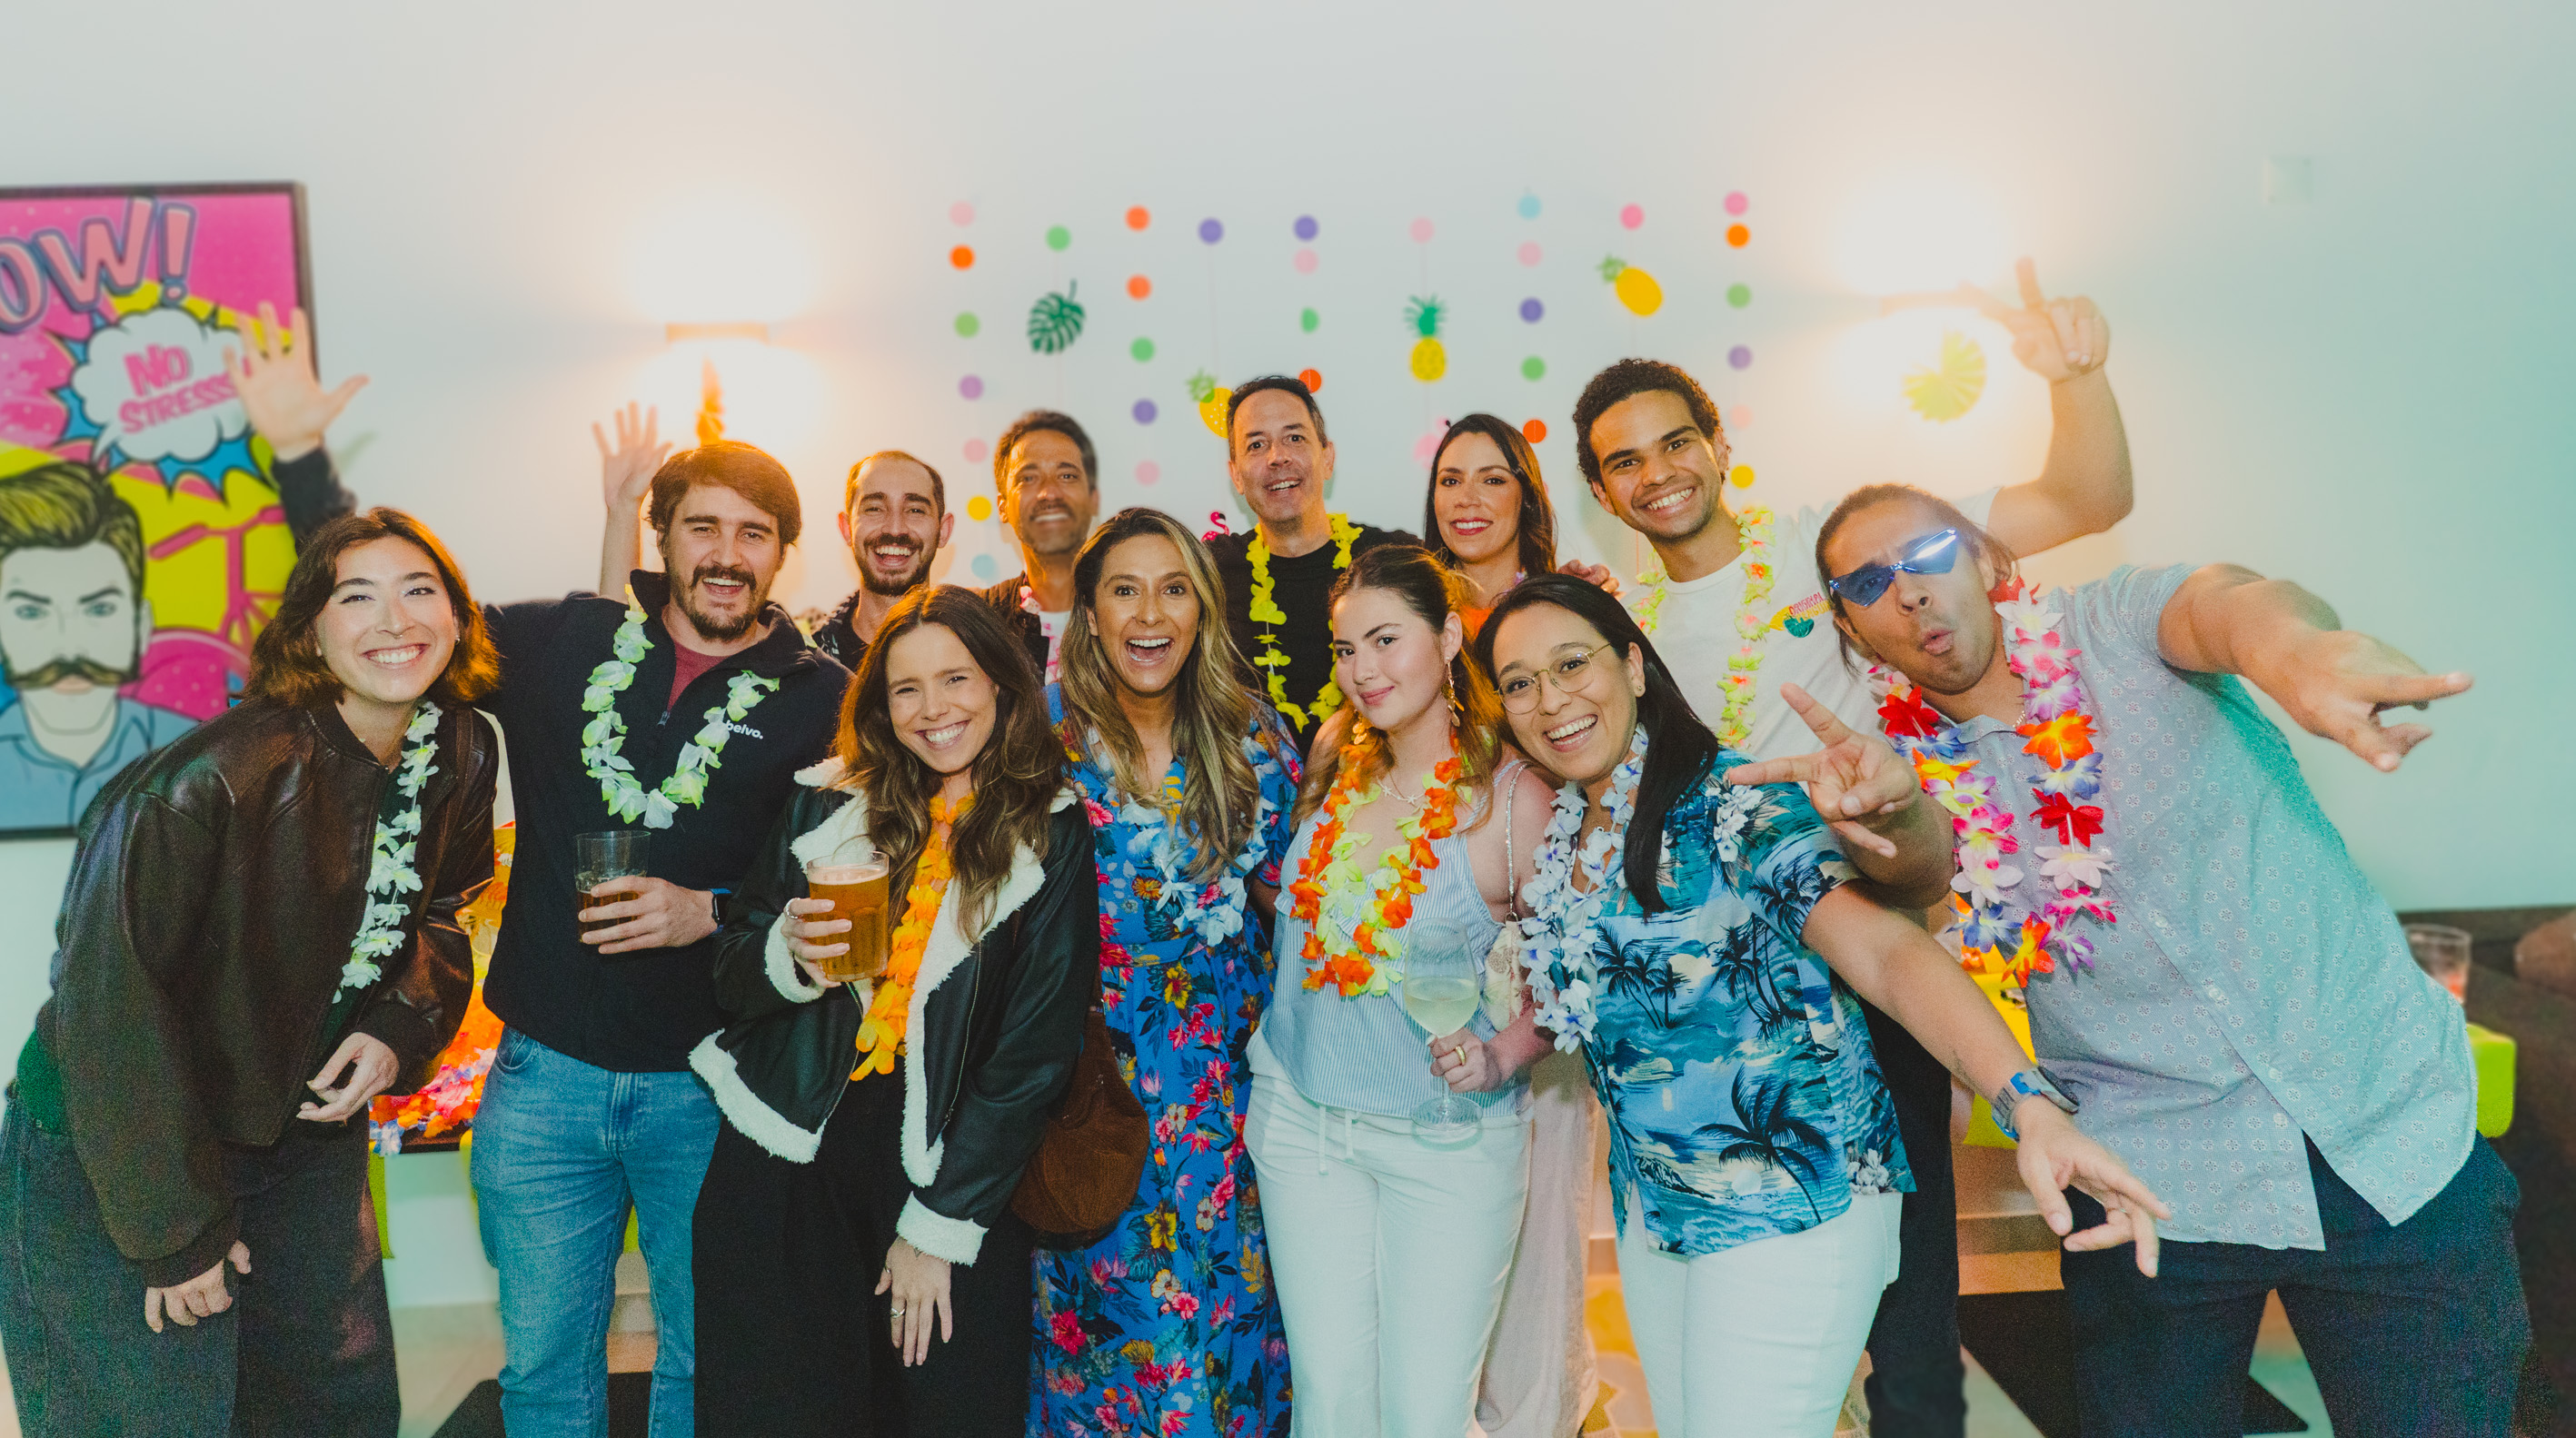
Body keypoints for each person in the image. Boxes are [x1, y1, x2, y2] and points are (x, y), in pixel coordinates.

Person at [1817, 485, 2527, 1437]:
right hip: (2147, 1180)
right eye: (1868, 580)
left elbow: (2230, 605)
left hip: (2385, 1124)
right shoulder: (1905, 770)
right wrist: (1891, 817)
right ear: (1853, 628)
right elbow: (1917, 871)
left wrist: (2306, 654)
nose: (1907, 589)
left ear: (1988, 561)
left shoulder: (2111, 624)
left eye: (1929, 552)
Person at [1568, 260, 2134, 1438]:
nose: (1655, 473)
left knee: (1910, 1292)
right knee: (1753, 1304)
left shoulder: (1828, 558)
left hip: (1865, 953)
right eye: (1623, 460)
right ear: (1599, 489)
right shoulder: (1619, 636)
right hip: (1720, 1007)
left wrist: (2072, 377)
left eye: (1674, 442)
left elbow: (2083, 496)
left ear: (1717, 444)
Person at [1477, 574, 2165, 1438]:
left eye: (1570, 663)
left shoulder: (1733, 799)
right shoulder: (1575, 827)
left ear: (1633, 665)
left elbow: (1886, 952)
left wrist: (2025, 1102)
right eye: (1518, 682)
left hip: (1793, 1201)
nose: (1549, 700)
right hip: (1661, 1212)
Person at [269, 435, 852, 1436]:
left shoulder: (824, 699)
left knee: (708, 1363)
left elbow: (845, 898)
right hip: (543, 1082)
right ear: (658, 534)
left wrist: (707, 907)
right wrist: (299, 462)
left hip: (714, 1087)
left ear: (784, 553)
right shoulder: (561, 642)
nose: (726, 552)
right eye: (702, 525)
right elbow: (397, 612)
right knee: (542, 1369)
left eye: (754, 533)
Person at [0, 507, 502, 1434]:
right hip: (127, 1144)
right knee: (157, 1415)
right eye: (359, 595)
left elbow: (445, 905)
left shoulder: (462, 748)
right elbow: (109, 1006)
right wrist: (174, 1232)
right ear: (311, 629)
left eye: (419, 589)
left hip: (304, 1138)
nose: (395, 619)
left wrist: (399, 1025)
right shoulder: (207, 781)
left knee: (331, 1406)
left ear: (461, 619)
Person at [689, 584, 1094, 1437]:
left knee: (947, 1408)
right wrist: (787, 958)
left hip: (944, 1161)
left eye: (956, 679)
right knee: (781, 1411)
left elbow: (1031, 1055)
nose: (932, 709)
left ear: (1001, 686)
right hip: (785, 1153)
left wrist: (940, 1227)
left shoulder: (1052, 831)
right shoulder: (827, 799)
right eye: (905, 688)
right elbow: (731, 968)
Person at [1241, 542, 1560, 1436]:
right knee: (1333, 1403)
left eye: (1386, 640)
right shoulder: (1336, 753)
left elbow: (1573, 966)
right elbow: (1308, 907)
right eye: (1346, 650)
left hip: (1443, 1145)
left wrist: (1503, 1047)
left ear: (1452, 634)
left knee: (1423, 1414)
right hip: (1306, 1124)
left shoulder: (1509, 799)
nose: (1363, 670)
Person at [1033, 508, 1300, 1436]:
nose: (1151, 611)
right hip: (1085, 1090)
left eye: (1173, 587)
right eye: (1124, 588)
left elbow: (1293, 908)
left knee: (1229, 1326)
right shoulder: (1038, 738)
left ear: (1201, 610)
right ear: (1092, 614)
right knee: (1099, 1341)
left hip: (1227, 1095)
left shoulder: (1249, 737)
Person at [1417, 412, 1616, 1437]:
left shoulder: (1574, 604)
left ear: (1527, 496)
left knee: (1542, 1220)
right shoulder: (1409, 617)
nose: (1470, 497)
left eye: (1494, 477)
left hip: (1544, 943)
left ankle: (1543, 1414)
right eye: (1452, 478)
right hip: (1436, 956)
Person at [1205, 376, 1417, 743]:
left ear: (1328, 457)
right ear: (1236, 475)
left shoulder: (1393, 559)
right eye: (1256, 444)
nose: (1277, 457)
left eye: (1295, 438)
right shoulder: (1207, 574)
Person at [0, 461, 198, 828]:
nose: (69, 647)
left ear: (141, 626)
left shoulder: (199, 753)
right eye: (31, 612)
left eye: (99, 608)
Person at [984, 409, 1103, 680]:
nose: (1049, 492)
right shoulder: (981, 624)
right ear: (1003, 507)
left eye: (1067, 476)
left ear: (1093, 498)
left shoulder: (1136, 614)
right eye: (1028, 478)